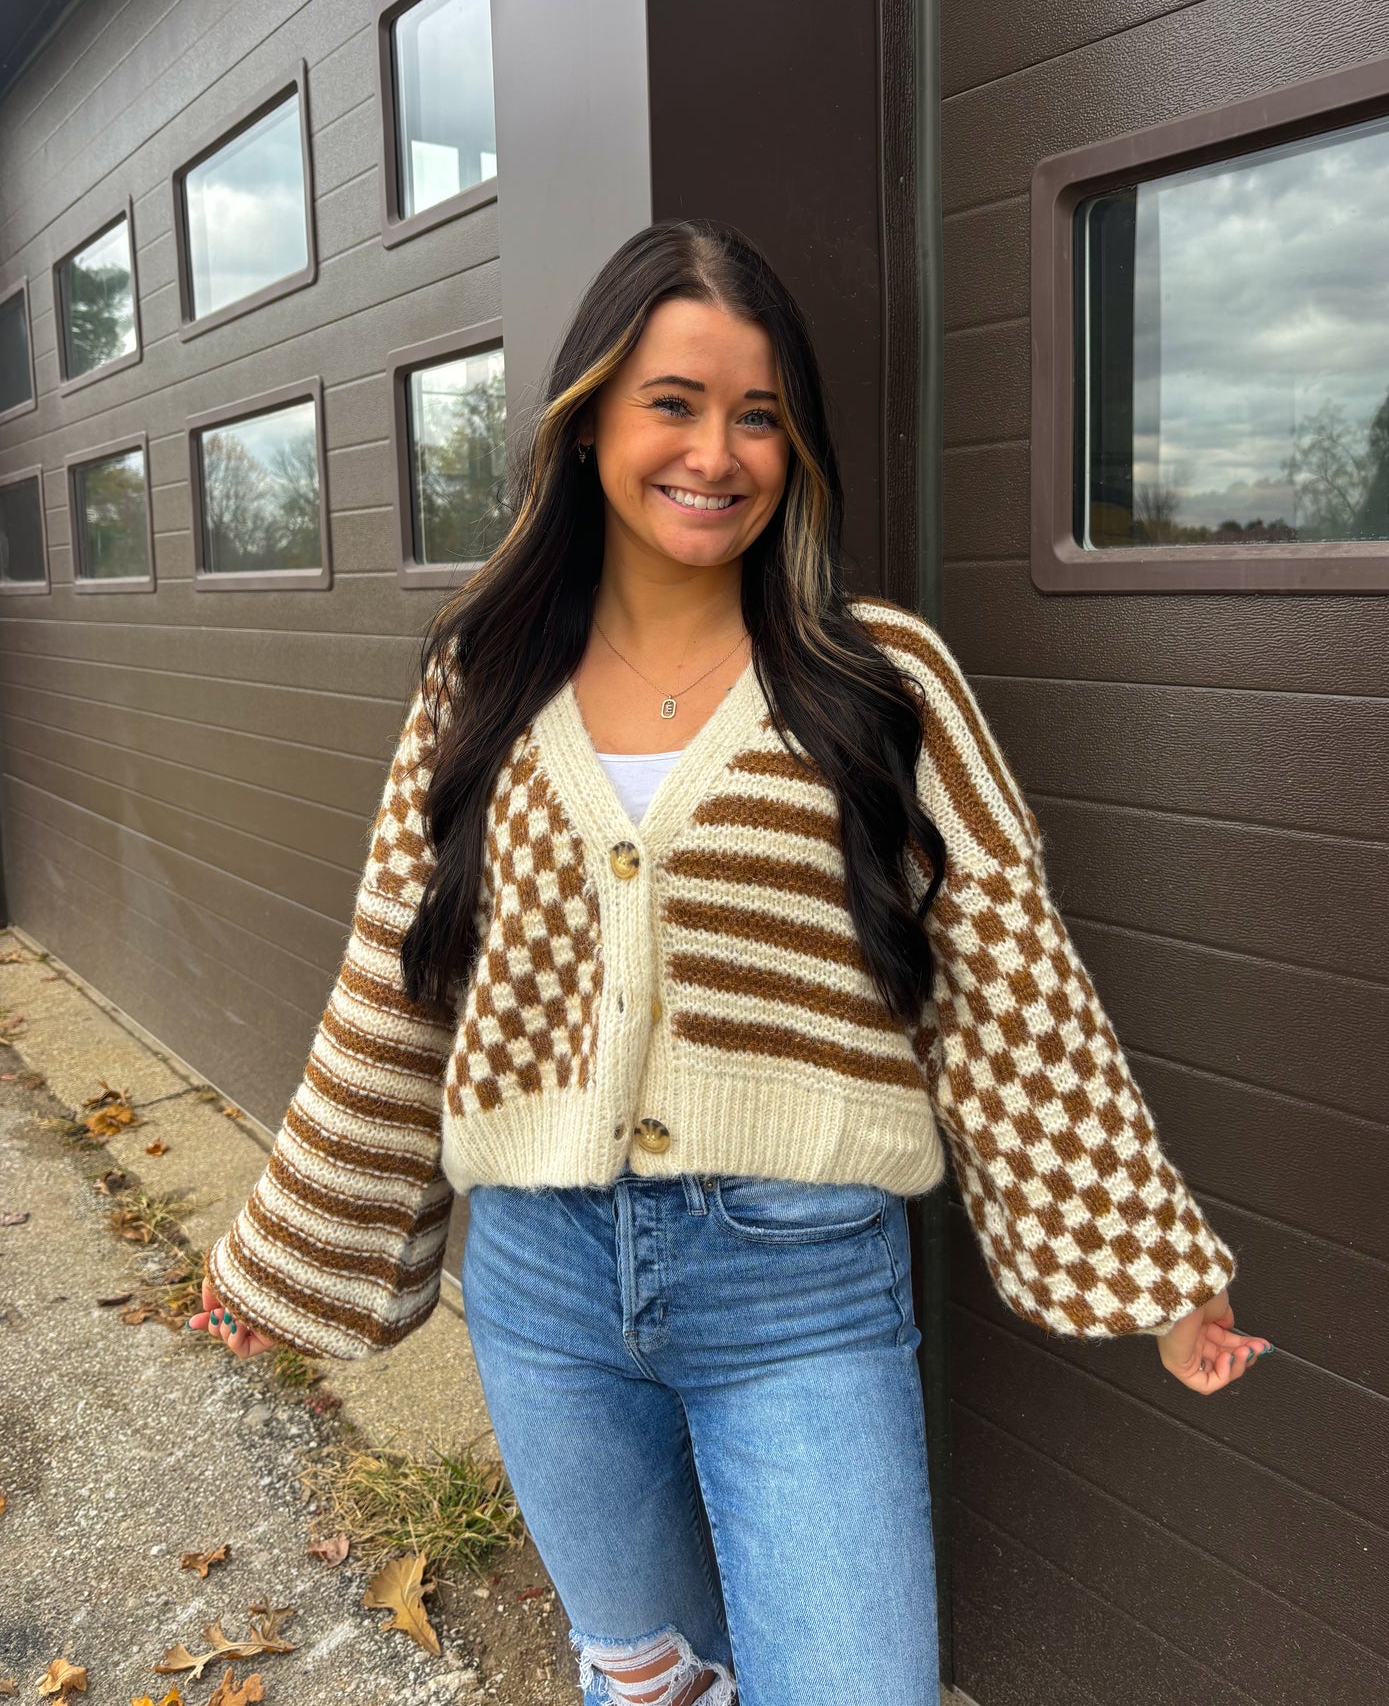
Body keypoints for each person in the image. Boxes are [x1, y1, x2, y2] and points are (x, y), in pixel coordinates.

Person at [191, 219, 1271, 1706]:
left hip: (798, 1288)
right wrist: (289, 1256)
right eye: (674, 402)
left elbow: (1009, 986)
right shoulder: (483, 674)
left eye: (757, 414)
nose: (716, 451)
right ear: (588, 424)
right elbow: (398, 981)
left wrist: (1156, 1276)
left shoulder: (877, 678)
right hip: (542, 1284)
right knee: (653, 1687)